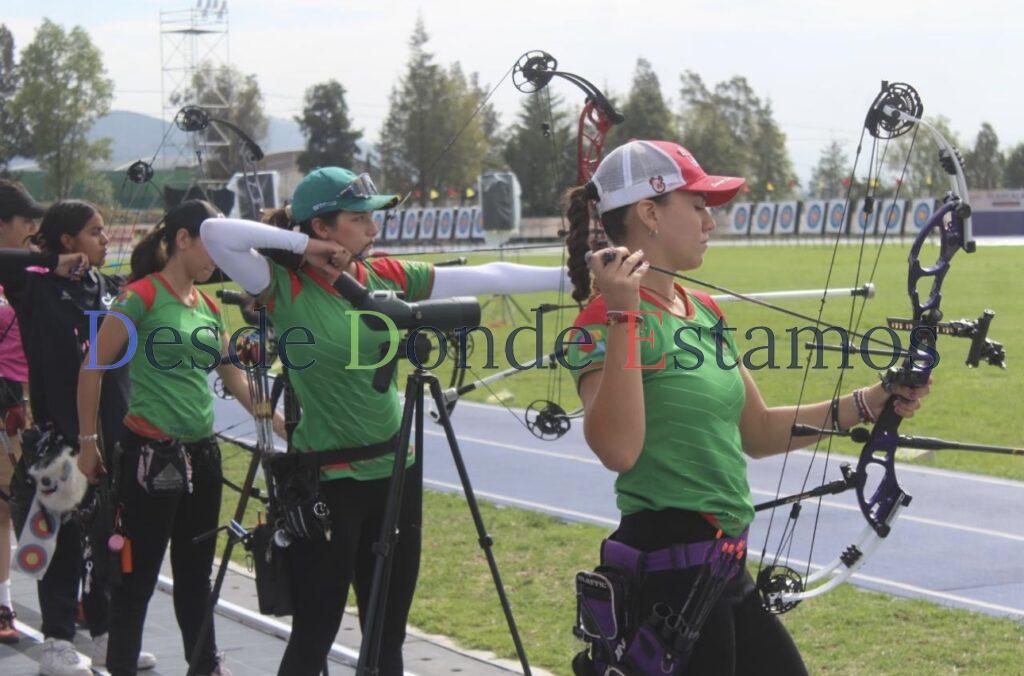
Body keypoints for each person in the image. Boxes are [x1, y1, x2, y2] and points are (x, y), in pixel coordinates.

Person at [562, 140, 931, 675]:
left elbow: (757, 432)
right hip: (667, 578)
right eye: (697, 206)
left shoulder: (701, 309)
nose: (710, 222)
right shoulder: (601, 322)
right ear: (650, 213)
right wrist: (623, 315)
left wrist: (871, 402)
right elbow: (618, 450)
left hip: (723, 570)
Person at [200, 166, 574, 675]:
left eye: (373, 218)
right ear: (322, 228)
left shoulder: (382, 277)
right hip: (328, 483)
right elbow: (215, 234)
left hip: (396, 475)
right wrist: (304, 250)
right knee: (315, 632)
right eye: (359, 218)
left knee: (387, 635)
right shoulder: (280, 285)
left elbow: (487, 277)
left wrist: (574, 276)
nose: (374, 229)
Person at [76, 199, 283, 676]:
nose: (217, 259)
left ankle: (204, 666)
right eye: (211, 246)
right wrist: (90, 444)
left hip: (202, 455)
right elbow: (93, 370)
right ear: (183, 240)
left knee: (196, 576)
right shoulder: (141, 297)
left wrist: (279, 419)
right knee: (138, 577)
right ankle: (122, 667)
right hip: (151, 456)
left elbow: (235, 376)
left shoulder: (207, 305)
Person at [0, 196, 159, 675]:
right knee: (61, 543)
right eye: (94, 231)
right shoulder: (33, 287)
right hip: (60, 439)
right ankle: (57, 641)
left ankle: (107, 637)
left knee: (110, 540)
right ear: (68, 240)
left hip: (113, 436)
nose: (105, 238)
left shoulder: (108, 289)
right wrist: (51, 261)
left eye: (105, 229)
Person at [0, 179, 43, 644]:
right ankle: (5, 603)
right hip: (4, 398)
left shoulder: (31, 273)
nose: (33, 232)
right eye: (25, 225)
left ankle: (69, 592)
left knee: (32, 503)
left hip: (26, 401)